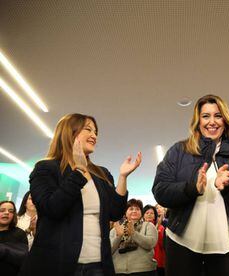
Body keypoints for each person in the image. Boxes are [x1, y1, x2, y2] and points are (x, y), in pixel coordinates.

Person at [19, 113, 142, 276]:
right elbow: (52, 208)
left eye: (96, 132)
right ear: (70, 132)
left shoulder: (101, 173)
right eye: (88, 129)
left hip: (98, 265)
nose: (94, 136)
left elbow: (116, 212)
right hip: (58, 264)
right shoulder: (45, 168)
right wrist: (78, 170)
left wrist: (123, 177)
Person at [152, 94, 229, 276]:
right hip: (182, 243)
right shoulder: (179, 150)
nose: (212, 122)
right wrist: (193, 188)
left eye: (217, 115)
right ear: (197, 121)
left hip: (225, 245)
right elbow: (160, 190)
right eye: (206, 116)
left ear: (225, 120)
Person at [111, 199, 158, 276]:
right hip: (119, 270)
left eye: (137, 209)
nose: (134, 211)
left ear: (141, 212)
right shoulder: (116, 228)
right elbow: (108, 250)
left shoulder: (148, 225)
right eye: (131, 209)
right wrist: (118, 236)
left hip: (144, 270)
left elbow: (150, 244)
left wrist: (133, 233)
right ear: (125, 213)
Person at [0, 200, 28, 276]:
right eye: (2, 210)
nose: (6, 213)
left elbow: (23, 259)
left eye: (11, 211)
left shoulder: (19, 233)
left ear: (13, 215)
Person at [144, 205, 165, 276]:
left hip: (158, 261)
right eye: (147, 213)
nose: (149, 215)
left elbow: (163, 245)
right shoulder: (139, 227)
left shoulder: (161, 228)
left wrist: (158, 233)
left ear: (155, 216)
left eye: (152, 213)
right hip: (143, 262)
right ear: (143, 215)